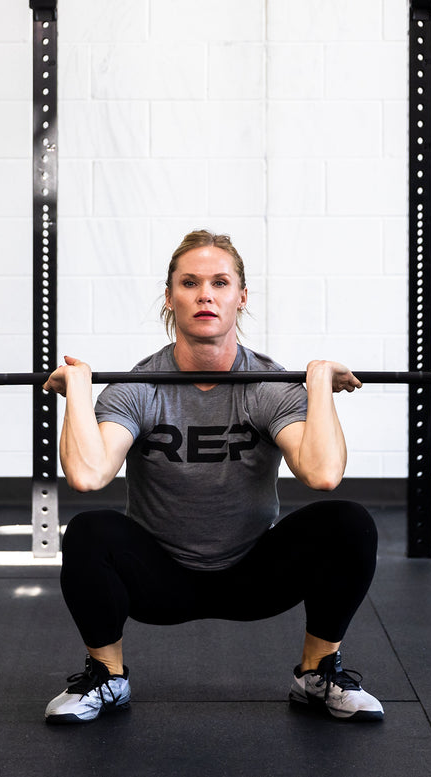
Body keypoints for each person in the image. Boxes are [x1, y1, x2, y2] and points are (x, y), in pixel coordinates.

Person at [42, 229, 381, 725]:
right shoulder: (139, 388)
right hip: (158, 578)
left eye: (220, 282)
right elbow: (89, 475)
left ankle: (317, 672)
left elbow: (323, 474)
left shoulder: (267, 384)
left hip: (254, 574)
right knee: (91, 530)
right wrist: (76, 389)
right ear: (169, 296)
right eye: (190, 282)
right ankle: (106, 676)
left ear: (240, 297)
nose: (205, 294)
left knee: (348, 522)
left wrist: (318, 384)